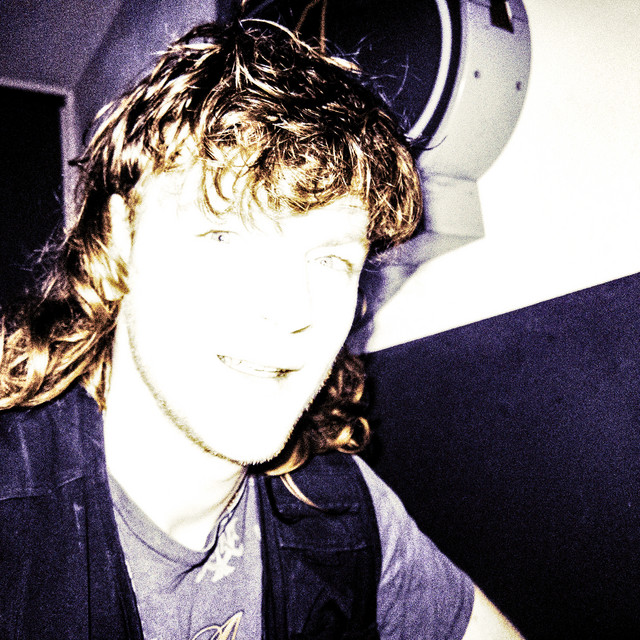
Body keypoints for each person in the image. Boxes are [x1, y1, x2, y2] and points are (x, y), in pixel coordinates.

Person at [0, 20, 524, 640]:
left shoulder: (346, 508)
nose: (290, 309)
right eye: (223, 236)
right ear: (120, 242)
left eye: (330, 259)